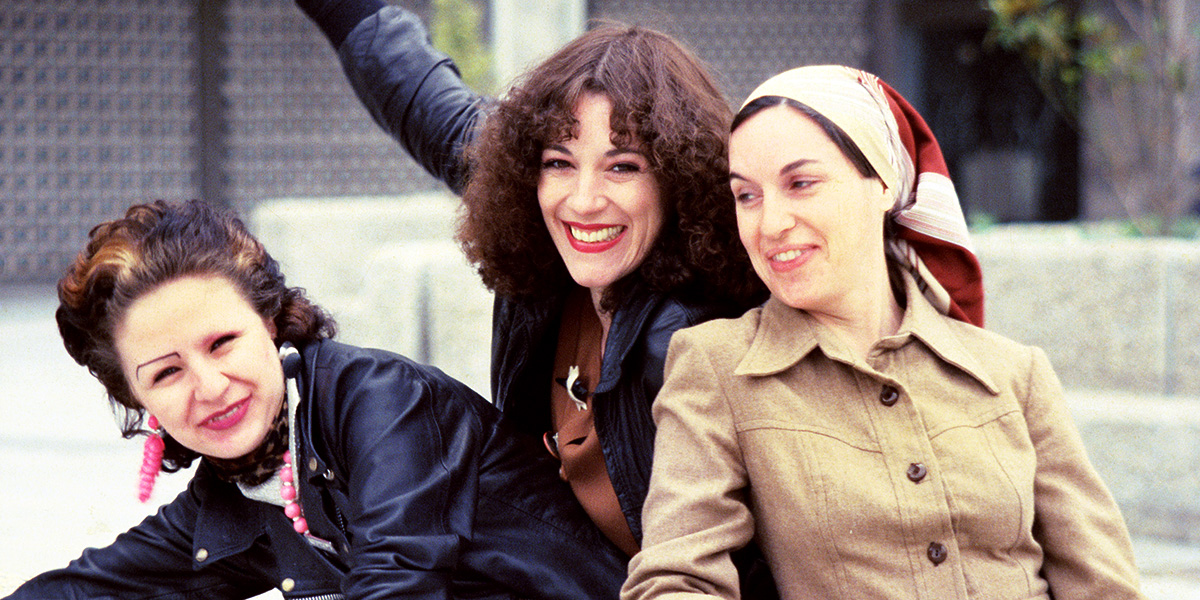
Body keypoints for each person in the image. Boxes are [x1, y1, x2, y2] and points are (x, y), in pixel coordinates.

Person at [294, 1, 773, 588]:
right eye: (559, 163)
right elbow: (427, 106)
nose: (583, 199)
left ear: (677, 178)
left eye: (622, 167)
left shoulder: (697, 335)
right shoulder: (545, 251)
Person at [622, 65, 1147, 600]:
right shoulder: (717, 366)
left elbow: (1105, 586)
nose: (770, 222)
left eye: (801, 183)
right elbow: (674, 580)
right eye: (747, 196)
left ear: (884, 183)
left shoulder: (1014, 373)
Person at [5, 199, 627, 600]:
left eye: (222, 342)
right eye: (166, 374)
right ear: (138, 399)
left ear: (270, 322)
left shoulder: (383, 404)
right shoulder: (234, 493)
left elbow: (395, 585)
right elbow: (92, 587)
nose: (210, 387)